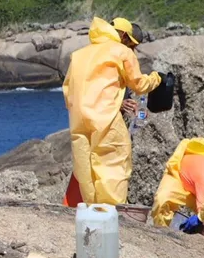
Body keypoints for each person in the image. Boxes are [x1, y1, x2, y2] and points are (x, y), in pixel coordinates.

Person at [62, 17, 161, 207]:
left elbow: (67, 90)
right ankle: (110, 216)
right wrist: (156, 79)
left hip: (78, 120)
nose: (131, 48)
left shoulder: (79, 54)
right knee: (113, 165)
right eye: (131, 42)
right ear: (123, 35)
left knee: (86, 171)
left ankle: (89, 212)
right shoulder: (121, 51)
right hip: (105, 118)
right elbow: (139, 84)